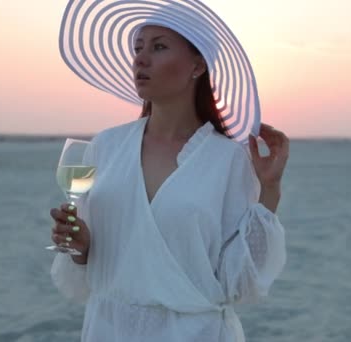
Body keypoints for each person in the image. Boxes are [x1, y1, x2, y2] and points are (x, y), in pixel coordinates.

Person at [49, 1, 289, 341]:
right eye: (138, 48)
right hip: (108, 328)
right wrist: (81, 247)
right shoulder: (106, 146)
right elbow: (85, 265)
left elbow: (241, 283)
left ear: (197, 65)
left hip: (193, 332)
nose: (140, 59)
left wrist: (270, 189)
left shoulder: (229, 160)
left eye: (159, 47)